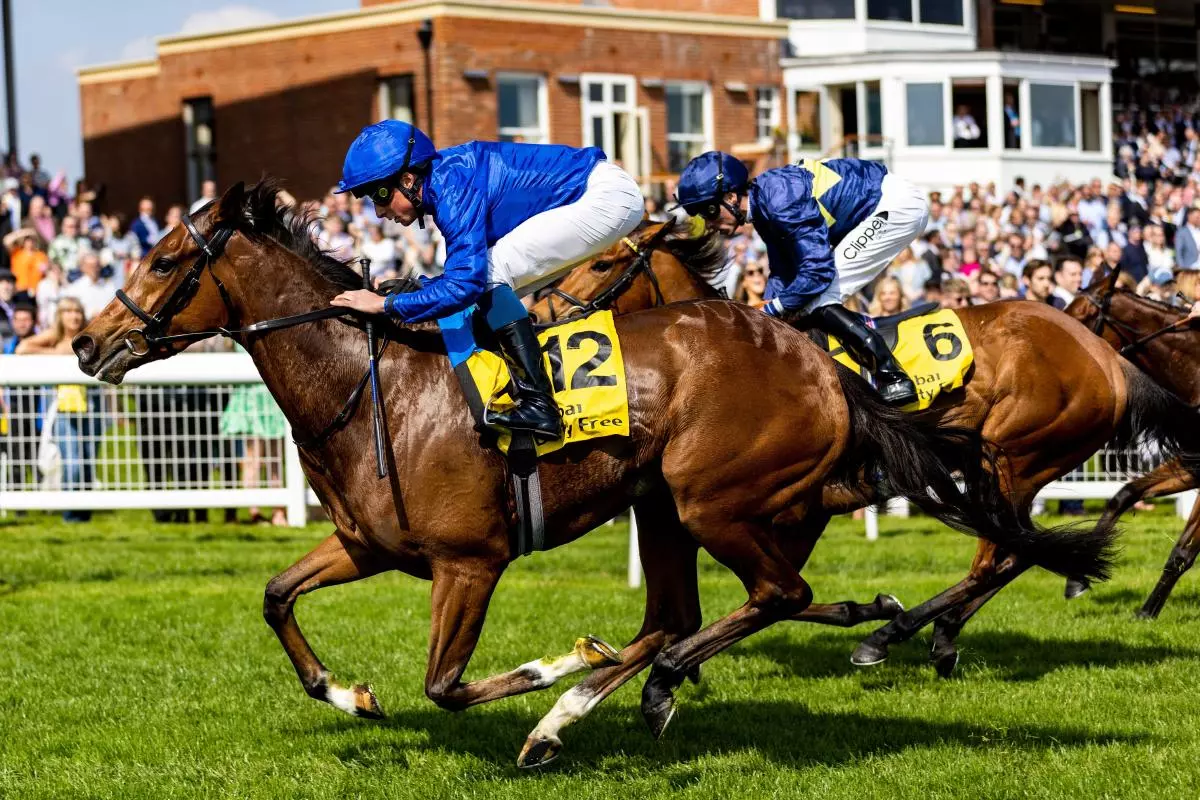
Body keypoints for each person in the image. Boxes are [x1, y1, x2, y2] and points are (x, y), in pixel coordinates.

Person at [328, 120, 644, 440]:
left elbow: (466, 284)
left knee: (491, 276)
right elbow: (464, 276)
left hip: (605, 197)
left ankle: (539, 405)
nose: (379, 212)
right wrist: (420, 288)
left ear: (408, 179)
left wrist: (386, 305)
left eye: (379, 196)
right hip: (604, 194)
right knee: (490, 280)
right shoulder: (446, 181)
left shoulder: (452, 188)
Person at [675, 151, 924, 405]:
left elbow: (818, 271)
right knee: (804, 300)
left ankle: (893, 376)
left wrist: (772, 308)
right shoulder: (765, 204)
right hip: (878, 203)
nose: (709, 224)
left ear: (730, 197)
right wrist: (762, 317)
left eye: (709, 212)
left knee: (821, 295)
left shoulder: (779, 199)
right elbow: (783, 274)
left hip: (894, 206)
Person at [16, 296, 95, 521]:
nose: (74, 316)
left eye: (77, 311)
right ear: (60, 316)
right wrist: (59, 354)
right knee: (72, 462)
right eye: (68, 311)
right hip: (63, 407)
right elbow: (22, 348)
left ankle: (84, 513)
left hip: (91, 405)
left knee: (88, 460)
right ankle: (70, 514)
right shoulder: (55, 337)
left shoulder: (90, 335)